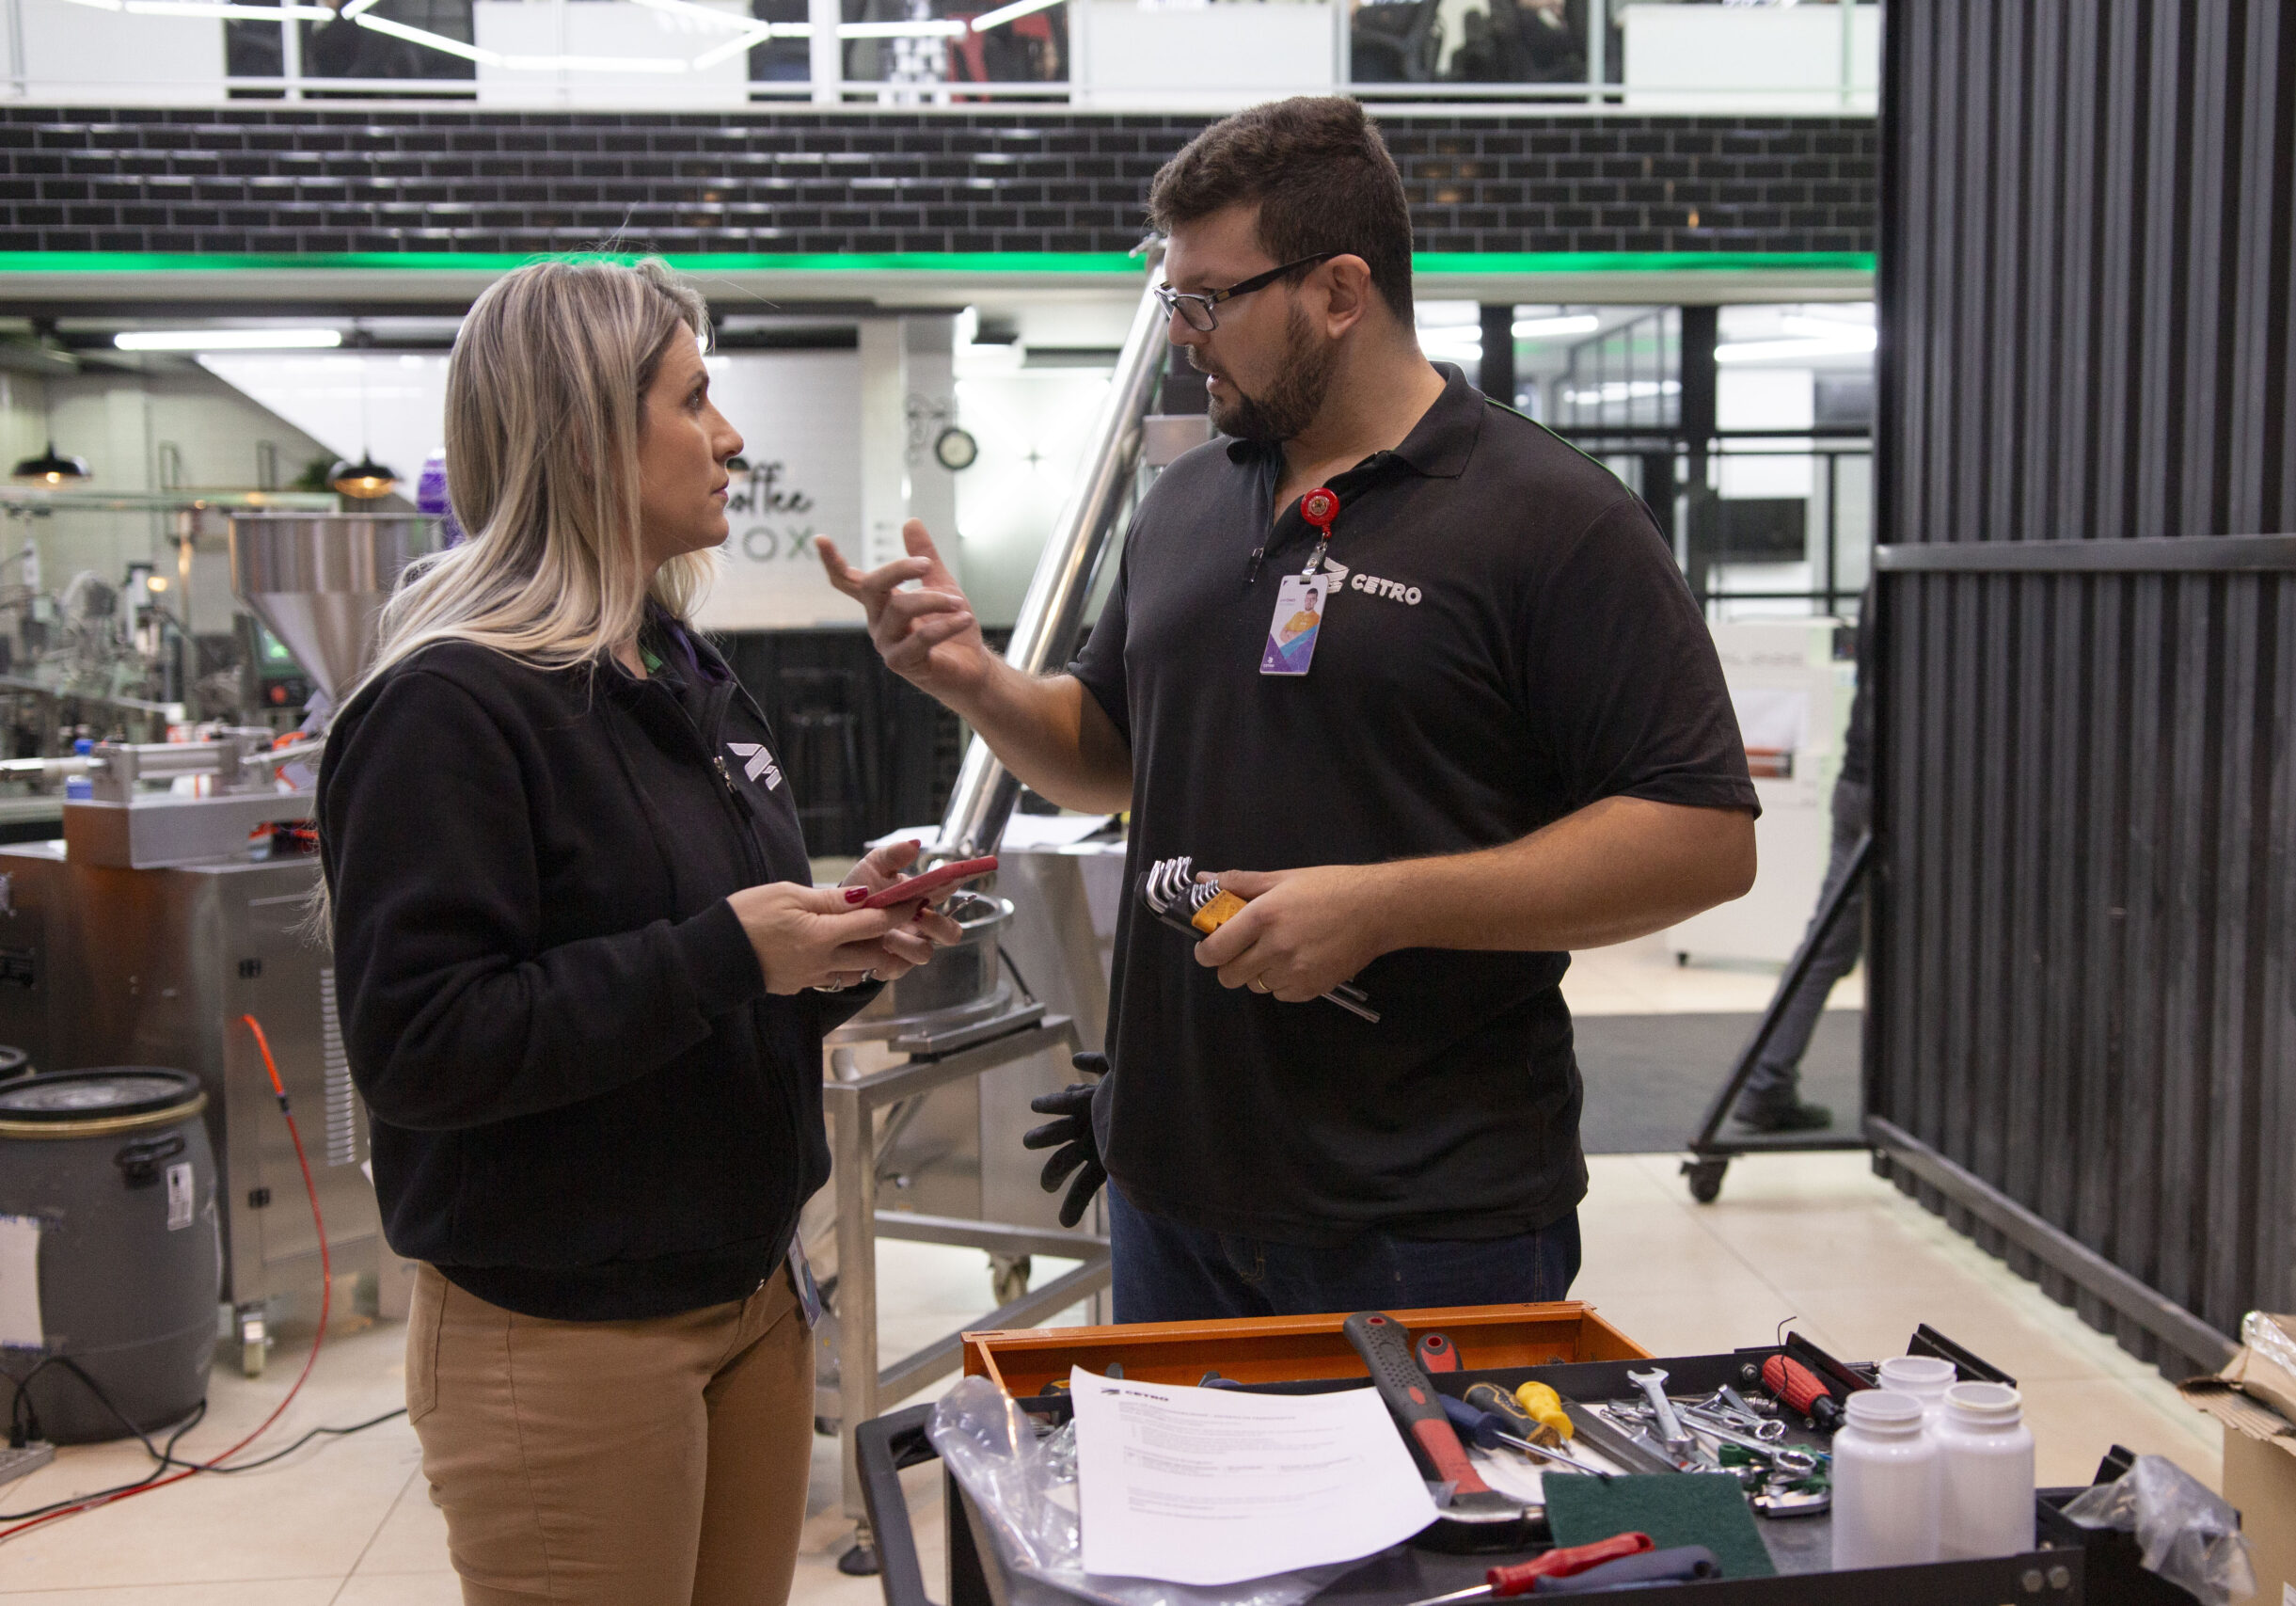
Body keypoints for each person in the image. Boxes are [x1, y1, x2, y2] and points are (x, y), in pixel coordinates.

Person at [817, 97, 1759, 1322]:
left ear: (1338, 290)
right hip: (1170, 1192)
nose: (1185, 338)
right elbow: (1108, 759)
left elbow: (1704, 834)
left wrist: (1385, 903)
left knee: (1432, 1525)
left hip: (1428, 1216)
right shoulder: (1188, 503)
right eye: (1174, 302)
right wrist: (973, 678)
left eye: (1209, 300)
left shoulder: (1553, 519)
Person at [318, 258, 958, 1606]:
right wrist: (730, 951)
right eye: (695, 397)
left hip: (751, 1298)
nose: (730, 437)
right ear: (586, 432)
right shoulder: (451, 706)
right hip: (566, 1336)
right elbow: (424, 1046)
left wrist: (840, 943)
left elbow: (707, 979)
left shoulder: (678, 668)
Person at [1732, 602, 1874, 1132]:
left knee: (1825, 949)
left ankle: (1765, 1081)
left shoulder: (1886, 576)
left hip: (1857, 781)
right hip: (1900, 782)